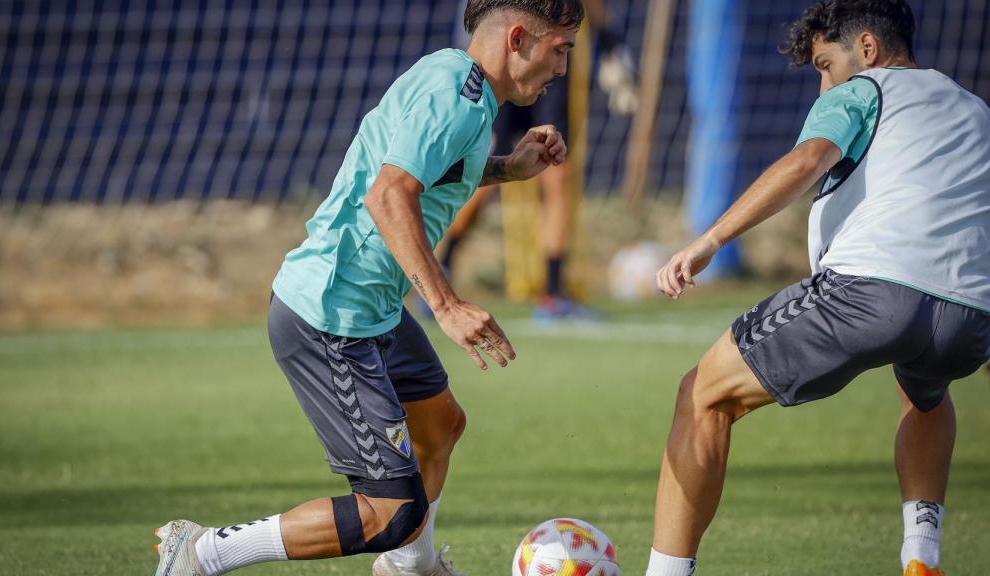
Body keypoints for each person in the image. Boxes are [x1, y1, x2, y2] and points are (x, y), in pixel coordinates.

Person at [151, 1, 583, 575]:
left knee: (440, 424)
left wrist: (509, 167)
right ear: (520, 38)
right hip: (331, 314)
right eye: (560, 49)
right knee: (391, 512)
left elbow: (433, 167)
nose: (562, 66)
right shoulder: (454, 97)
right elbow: (389, 195)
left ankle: (411, 569)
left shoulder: (462, 85)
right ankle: (203, 553)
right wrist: (447, 306)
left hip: (373, 304)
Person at [646, 1, 990, 575]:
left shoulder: (861, 91)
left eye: (826, 64)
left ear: (868, 49)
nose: (822, 85)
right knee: (927, 394)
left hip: (872, 293)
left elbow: (807, 160)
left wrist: (709, 241)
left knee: (702, 394)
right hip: (969, 317)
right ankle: (921, 557)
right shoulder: (974, 109)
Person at [431, 0, 636, 322]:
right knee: (478, 169)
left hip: (545, 50)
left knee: (556, 169)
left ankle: (553, 293)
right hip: (502, 58)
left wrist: (611, 42)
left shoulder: (558, 58)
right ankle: (441, 268)